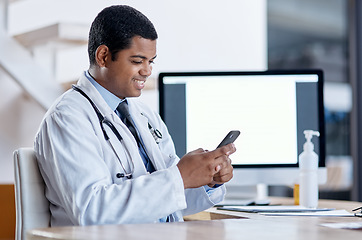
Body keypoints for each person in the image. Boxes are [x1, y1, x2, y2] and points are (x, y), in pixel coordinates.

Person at [34, 5, 235, 227]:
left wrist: (206, 180)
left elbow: (170, 201)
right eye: (138, 61)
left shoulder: (143, 115)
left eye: (151, 61)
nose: (147, 71)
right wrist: (180, 177)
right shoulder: (68, 117)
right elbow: (92, 211)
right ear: (103, 56)